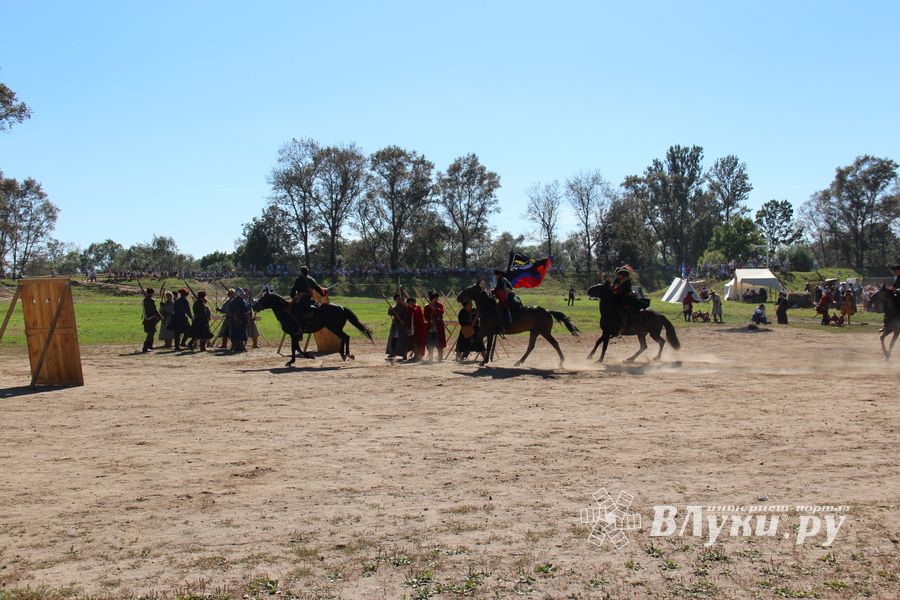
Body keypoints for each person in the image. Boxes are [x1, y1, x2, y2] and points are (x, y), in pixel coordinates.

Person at [612, 267, 638, 335]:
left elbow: (627, 291)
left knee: (628, 309)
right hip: (617, 297)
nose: (618, 275)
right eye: (618, 274)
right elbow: (613, 287)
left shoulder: (627, 280)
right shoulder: (616, 280)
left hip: (625, 298)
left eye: (620, 274)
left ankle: (632, 323)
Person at [423, 291, 447, 361]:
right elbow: (426, 317)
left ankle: (440, 357)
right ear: (432, 298)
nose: (436, 299)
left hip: (438, 326)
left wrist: (435, 309)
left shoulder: (439, 305)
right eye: (434, 297)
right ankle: (430, 357)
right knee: (430, 343)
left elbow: (441, 312)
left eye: (437, 297)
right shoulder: (427, 306)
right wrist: (431, 310)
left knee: (439, 343)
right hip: (430, 327)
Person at [385, 291, 409, 359]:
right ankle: (393, 353)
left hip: (404, 326)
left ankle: (404, 355)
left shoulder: (405, 306)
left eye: (400, 299)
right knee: (394, 340)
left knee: (404, 340)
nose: (399, 300)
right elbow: (390, 313)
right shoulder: (394, 307)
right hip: (396, 326)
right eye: (398, 299)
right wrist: (391, 309)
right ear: (395, 300)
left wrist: (404, 322)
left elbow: (409, 312)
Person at [228, 287, 250, 352]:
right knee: (241, 332)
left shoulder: (233, 301)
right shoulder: (242, 301)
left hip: (234, 320)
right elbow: (245, 309)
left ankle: (235, 346)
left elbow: (231, 310)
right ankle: (240, 347)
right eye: (242, 294)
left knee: (235, 332)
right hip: (241, 319)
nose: (243, 295)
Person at [141, 287, 162, 353]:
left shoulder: (145, 300)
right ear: (151, 293)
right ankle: (145, 347)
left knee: (151, 333)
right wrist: (160, 316)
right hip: (151, 319)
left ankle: (149, 346)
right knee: (150, 334)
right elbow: (155, 310)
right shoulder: (151, 300)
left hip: (147, 319)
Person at [406, 296, 426, 362]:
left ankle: (418, 356)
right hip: (413, 328)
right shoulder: (409, 309)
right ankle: (415, 355)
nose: (411, 303)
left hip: (419, 329)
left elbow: (415, 312)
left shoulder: (418, 308)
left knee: (419, 342)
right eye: (409, 302)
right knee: (413, 342)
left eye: (412, 302)